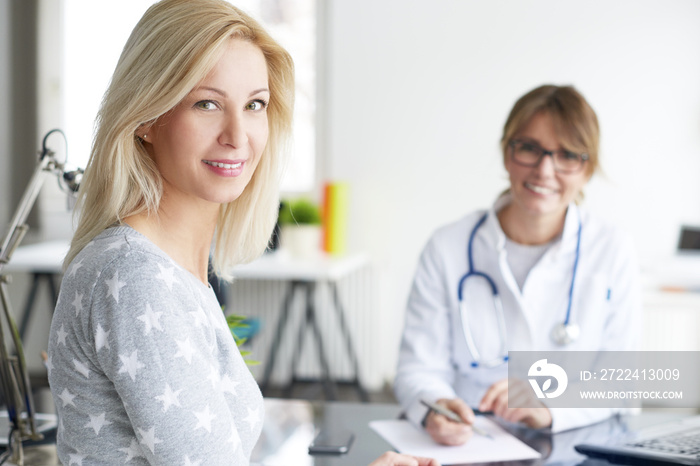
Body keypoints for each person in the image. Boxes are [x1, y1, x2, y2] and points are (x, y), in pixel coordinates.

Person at [47, 1, 438, 465]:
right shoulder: (135, 278)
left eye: (255, 104)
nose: (238, 134)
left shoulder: (174, 267)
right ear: (146, 117)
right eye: (207, 103)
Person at [394, 84, 641, 445]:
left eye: (567, 154)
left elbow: (622, 380)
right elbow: (418, 368)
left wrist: (551, 408)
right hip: (471, 440)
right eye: (529, 148)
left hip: (571, 443)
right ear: (507, 153)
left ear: (587, 169)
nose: (544, 170)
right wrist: (437, 407)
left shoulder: (612, 250)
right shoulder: (447, 246)